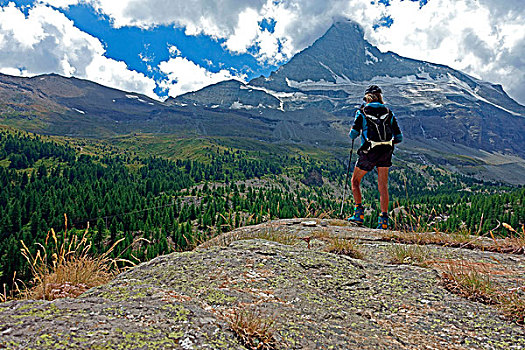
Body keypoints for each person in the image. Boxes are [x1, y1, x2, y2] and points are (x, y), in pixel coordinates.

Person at [347, 85, 402, 229]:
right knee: (383, 186)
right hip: (386, 151)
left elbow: (353, 134)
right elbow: (399, 137)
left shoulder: (362, 112)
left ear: (367, 97)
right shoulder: (389, 113)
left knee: (355, 181)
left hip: (369, 151)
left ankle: (358, 214)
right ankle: (383, 221)